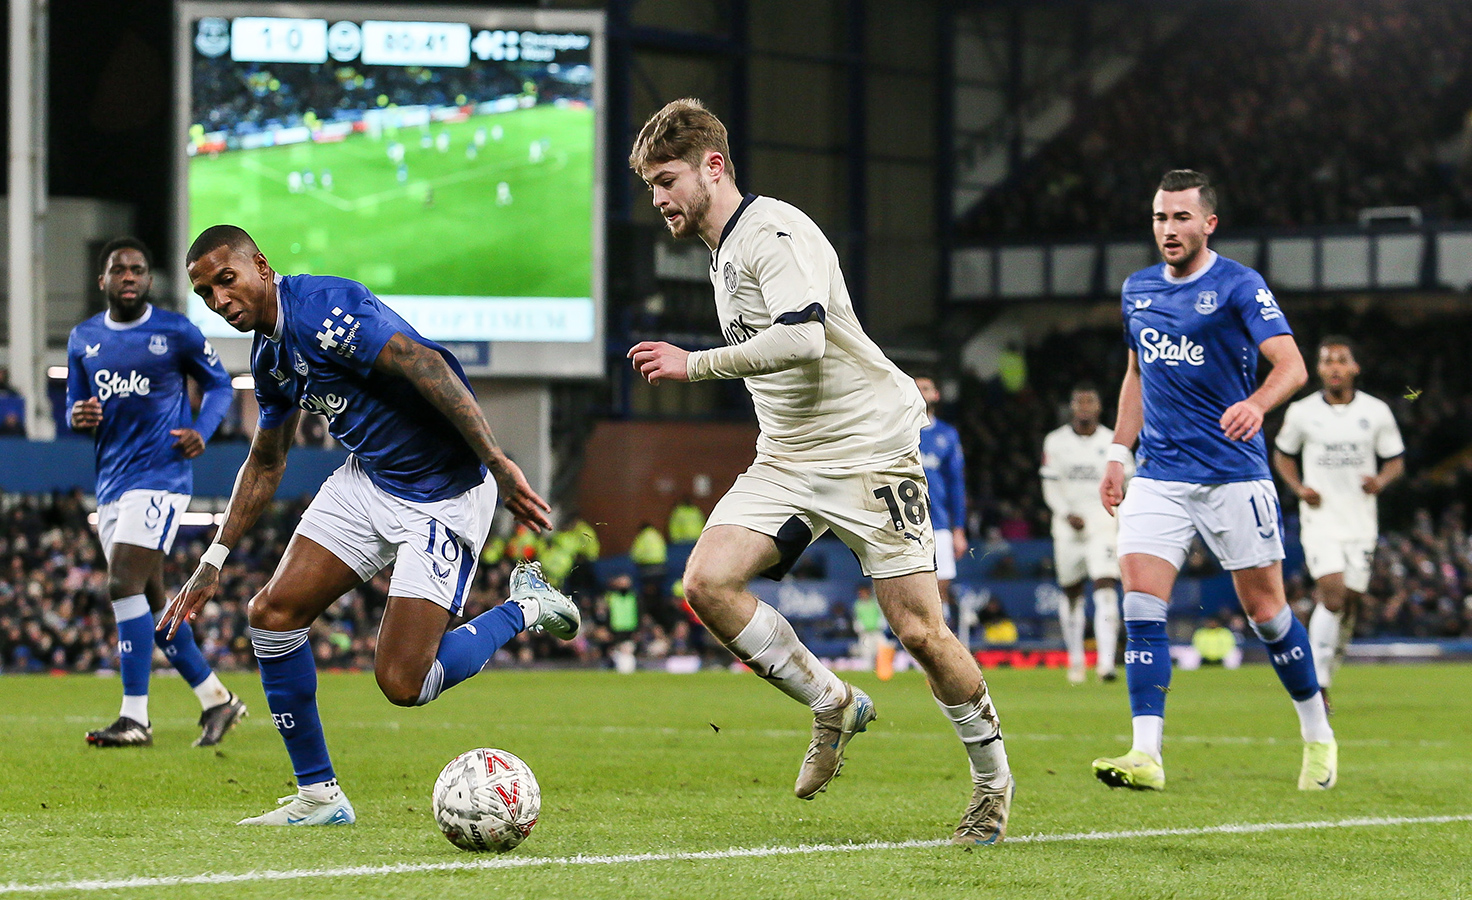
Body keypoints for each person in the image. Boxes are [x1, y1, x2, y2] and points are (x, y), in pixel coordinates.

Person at [625, 98, 1013, 845]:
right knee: (706, 582)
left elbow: (801, 339)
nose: (659, 199)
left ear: (713, 165)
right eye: (649, 186)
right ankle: (832, 703)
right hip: (789, 456)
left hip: (871, 449)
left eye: (667, 179)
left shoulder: (772, 232)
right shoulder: (722, 252)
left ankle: (993, 787)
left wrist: (692, 363)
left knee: (920, 631)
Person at [160, 224, 578, 826]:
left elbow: (423, 362)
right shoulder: (270, 357)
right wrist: (213, 560)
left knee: (405, 683)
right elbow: (268, 459)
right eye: (206, 295)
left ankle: (525, 606)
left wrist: (499, 465)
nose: (221, 301)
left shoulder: (321, 308)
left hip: (444, 494)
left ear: (261, 265)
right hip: (369, 481)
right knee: (271, 615)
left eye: (227, 280)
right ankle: (320, 799)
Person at [1095, 170, 1335, 792]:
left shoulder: (1238, 285)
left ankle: (1316, 731)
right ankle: (1146, 753)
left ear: (1209, 223)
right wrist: (1119, 453)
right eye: (1159, 218)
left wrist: (1257, 404)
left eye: (1180, 218)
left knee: (1267, 614)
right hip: (1160, 476)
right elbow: (1137, 376)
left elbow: (1292, 365)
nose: (1168, 229)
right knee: (1141, 603)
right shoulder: (1138, 289)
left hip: (1233, 473)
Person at [66, 237, 242, 748]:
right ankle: (216, 699)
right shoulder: (83, 338)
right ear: (102, 280)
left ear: (148, 279)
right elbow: (77, 406)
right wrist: (77, 415)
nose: (128, 276)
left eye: (138, 269)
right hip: (112, 482)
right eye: (119, 269)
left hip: (161, 476)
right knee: (154, 604)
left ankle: (135, 718)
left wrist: (203, 431)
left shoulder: (175, 330)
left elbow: (220, 386)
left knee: (121, 583)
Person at [1272, 335, 1404, 705]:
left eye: (1341, 360)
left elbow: (1395, 459)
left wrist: (1380, 481)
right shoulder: (1302, 412)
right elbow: (1282, 455)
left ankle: (1328, 670)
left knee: (1350, 602)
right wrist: (1299, 488)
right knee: (1332, 594)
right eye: (1327, 360)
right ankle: (1316, 683)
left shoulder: (1376, 412)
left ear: (1354, 368)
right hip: (1321, 519)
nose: (1334, 367)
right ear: (1318, 369)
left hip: (1360, 522)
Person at [1041, 383, 1127, 684]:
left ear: (1099, 407)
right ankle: (1076, 660)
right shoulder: (1055, 442)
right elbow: (1050, 486)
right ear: (1072, 407)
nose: (1086, 407)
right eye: (1081, 402)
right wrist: (1066, 513)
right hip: (1067, 526)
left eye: (1091, 402)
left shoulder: (1113, 442)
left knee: (1105, 586)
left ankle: (1105, 663)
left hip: (1103, 523)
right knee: (1072, 591)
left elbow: (1125, 483)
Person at [915, 377, 971, 648]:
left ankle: (942, 649)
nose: (920, 393)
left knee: (941, 588)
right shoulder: (897, 431)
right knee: (912, 591)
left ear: (936, 394)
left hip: (938, 523)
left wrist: (958, 528)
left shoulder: (947, 435)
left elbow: (956, 484)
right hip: (906, 523)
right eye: (914, 388)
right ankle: (918, 646)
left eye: (925, 388)